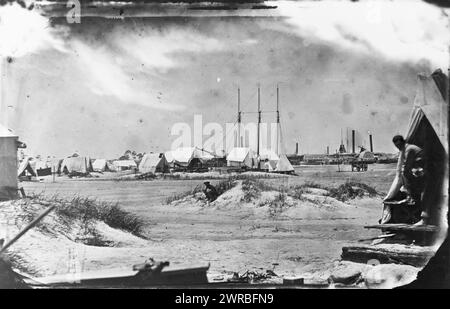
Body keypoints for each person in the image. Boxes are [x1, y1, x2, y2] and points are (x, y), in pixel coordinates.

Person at [391, 135, 428, 224]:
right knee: (407, 174)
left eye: (399, 145)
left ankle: (411, 196)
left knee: (406, 174)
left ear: (403, 142)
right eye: (396, 146)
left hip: (424, 169)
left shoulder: (409, 149)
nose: (398, 147)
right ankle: (411, 194)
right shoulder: (406, 149)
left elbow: (407, 166)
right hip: (420, 168)